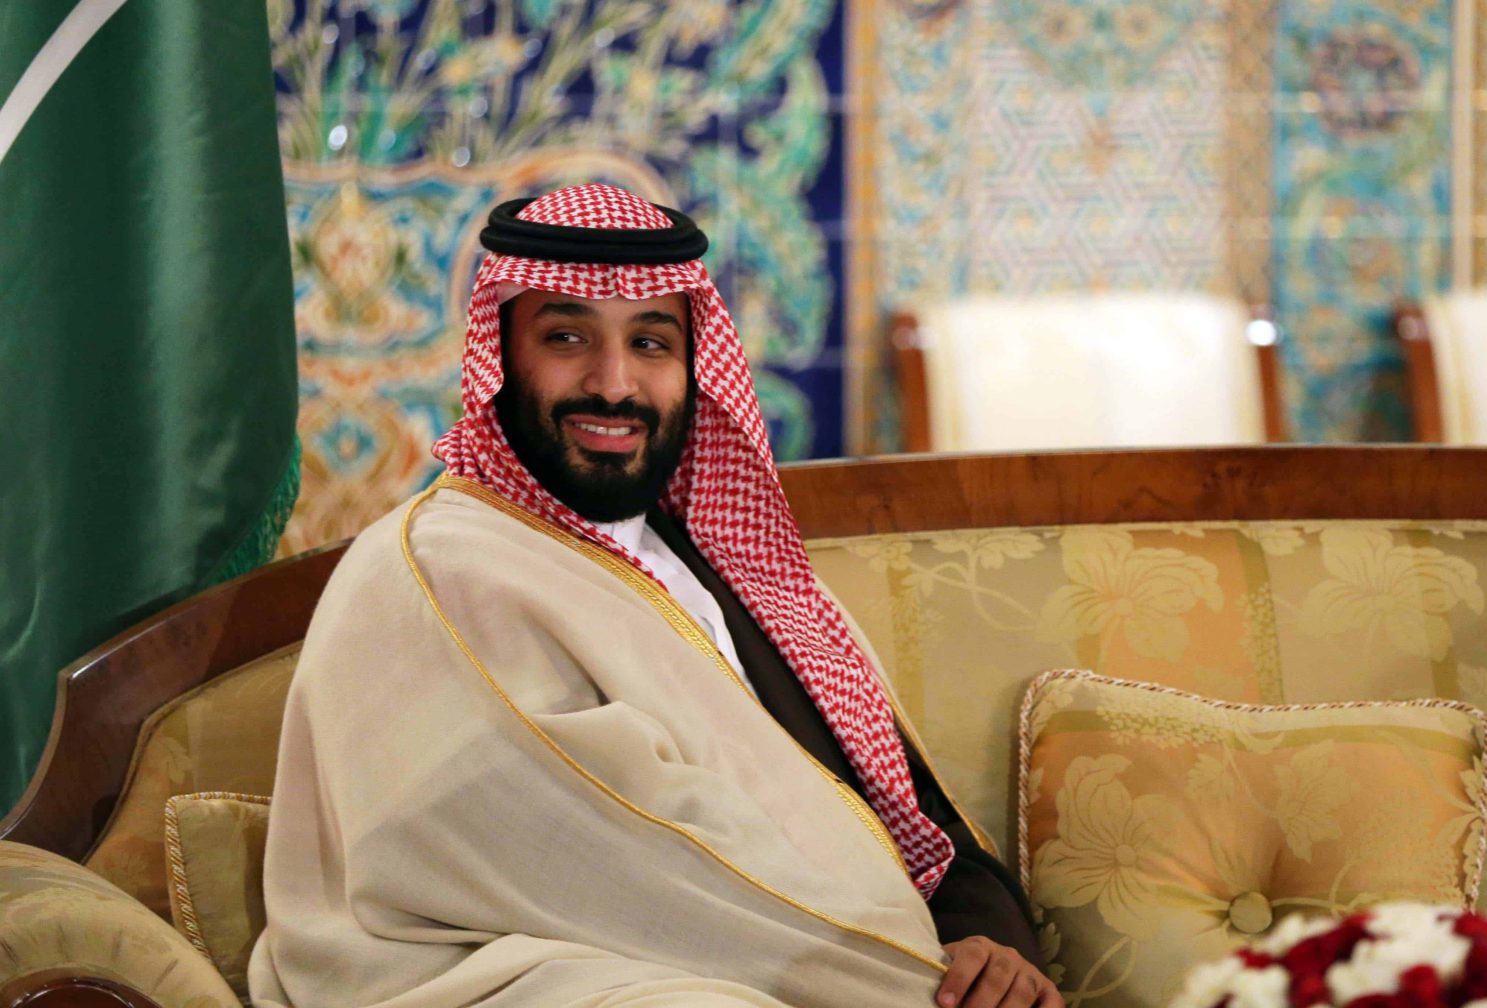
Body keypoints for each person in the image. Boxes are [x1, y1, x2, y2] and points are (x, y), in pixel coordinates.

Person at [249, 184, 1062, 1008]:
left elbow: (907, 814)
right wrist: (913, 983)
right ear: (500, 356)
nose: (614, 384)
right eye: (567, 337)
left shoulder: (732, 565)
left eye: (650, 343)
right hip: (532, 973)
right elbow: (617, 861)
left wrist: (990, 952)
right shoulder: (442, 567)